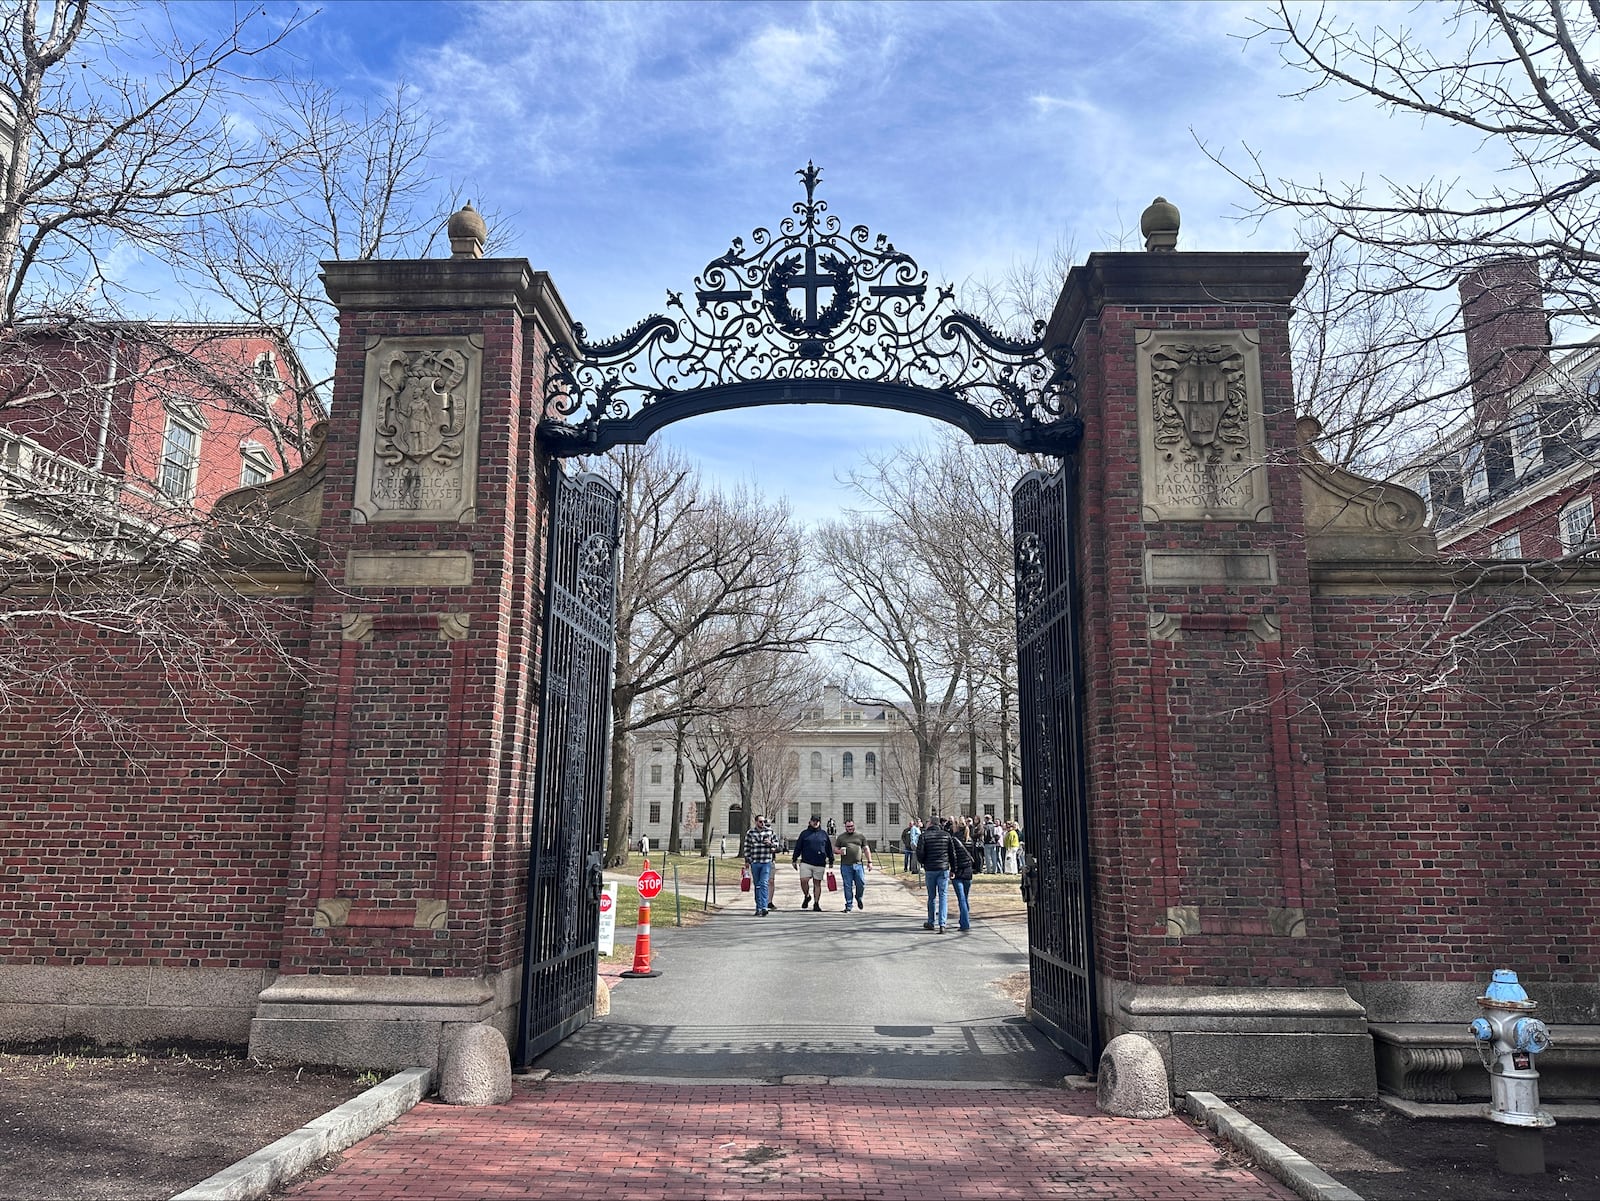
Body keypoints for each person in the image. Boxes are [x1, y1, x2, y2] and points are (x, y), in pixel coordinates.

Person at [915, 818, 956, 933]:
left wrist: (924, 862)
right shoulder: (946, 835)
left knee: (931, 896)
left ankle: (931, 921)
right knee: (943, 896)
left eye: (928, 822)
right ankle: (942, 923)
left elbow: (920, 853)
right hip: (943, 868)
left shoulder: (924, 836)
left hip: (930, 868)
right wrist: (953, 868)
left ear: (931, 824)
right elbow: (952, 853)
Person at [792, 814, 834, 911]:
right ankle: (807, 896)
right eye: (814, 821)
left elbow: (828, 849)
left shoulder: (824, 834)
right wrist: (794, 859)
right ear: (810, 822)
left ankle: (816, 903)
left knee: (817, 883)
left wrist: (831, 860)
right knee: (804, 880)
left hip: (820, 863)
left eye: (817, 821)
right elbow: (798, 847)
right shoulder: (804, 834)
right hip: (806, 862)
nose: (815, 822)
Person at [832, 819, 873, 911]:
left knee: (861, 883)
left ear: (854, 826)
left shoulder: (860, 836)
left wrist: (869, 862)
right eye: (848, 827)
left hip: (858, 865)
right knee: (847, 885)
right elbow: (835, 849)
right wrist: (839, 851)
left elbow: (866, 849)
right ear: (845, 827)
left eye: (851, 826)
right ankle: (849, 905)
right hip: (846, 865)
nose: (850, 828)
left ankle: (858, 897)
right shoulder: (841, 837)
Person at [741, 815, 778, 916]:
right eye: (760, 822)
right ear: (756, 822)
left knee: (764, 883)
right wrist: (747, 860)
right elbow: (747, 847)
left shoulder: (770, 832)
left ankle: (764, 907)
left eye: (764, 822)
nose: (763, 824)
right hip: (755, 862)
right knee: (757, 885)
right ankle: (758, 907)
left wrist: (770, 843)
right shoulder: (750, 833)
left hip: (766, 862)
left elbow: (777, 844)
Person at [948, 824, 975, 931]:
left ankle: (965, 923)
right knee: (965, 898)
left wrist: (953, 870)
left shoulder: (954, 840)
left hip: (958, 872)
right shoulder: (970, 840)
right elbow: (974, 855)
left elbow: (953, 857)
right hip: (968, 871)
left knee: (962, 899)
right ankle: (964, 918)